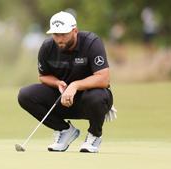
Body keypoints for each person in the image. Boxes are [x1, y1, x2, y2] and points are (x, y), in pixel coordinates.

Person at [18, 11, 115, 153]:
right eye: (56, 34)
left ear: (75, 30)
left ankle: (94, 135)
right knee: (25, 95)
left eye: (64, 34)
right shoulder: (47, 47)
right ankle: (64, 130)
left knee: (97, 97)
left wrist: (75, 85)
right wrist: (57, 83)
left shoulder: (91, 42)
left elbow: (104, 78)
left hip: (88, 100)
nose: (59, 39)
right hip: (61, 99)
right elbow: (43, 76)